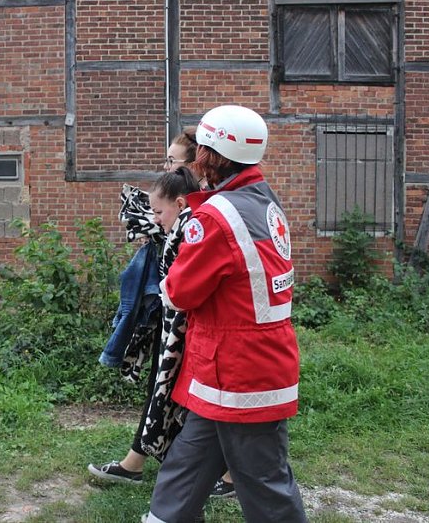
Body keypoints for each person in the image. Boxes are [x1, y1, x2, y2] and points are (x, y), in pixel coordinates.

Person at [144, 105, 308, 522]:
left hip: (236, 372)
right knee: (187, 467)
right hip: (243, 365)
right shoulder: (263, 199)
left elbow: (179, 291)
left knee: (265, 484)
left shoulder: (216, 216)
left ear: (209, 156)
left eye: (200, 149)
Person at [88, 130, 199, 484]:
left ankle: (216, 475)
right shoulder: (177, 215)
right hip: (171, 318)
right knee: (164, 386)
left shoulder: (196, 219)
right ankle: (141, 462)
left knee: (178, 392)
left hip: (186, 322)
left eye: (173, 161)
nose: (166, 165)